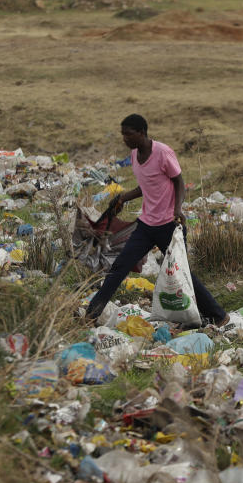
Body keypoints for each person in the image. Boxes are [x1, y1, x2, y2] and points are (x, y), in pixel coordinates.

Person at [85, 114, 229, 327]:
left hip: (168, 225)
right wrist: (123, 197)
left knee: (182, 273)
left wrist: (177, 208)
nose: (124, 138)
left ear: (141, 133)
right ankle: (91, 315)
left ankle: (218, 316)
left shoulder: (162, 152)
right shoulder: (134, 155)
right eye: (122, 134)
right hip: (146, 225)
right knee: (119, 268)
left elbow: (178, 181)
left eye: (128, 134)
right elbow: (146, 186)